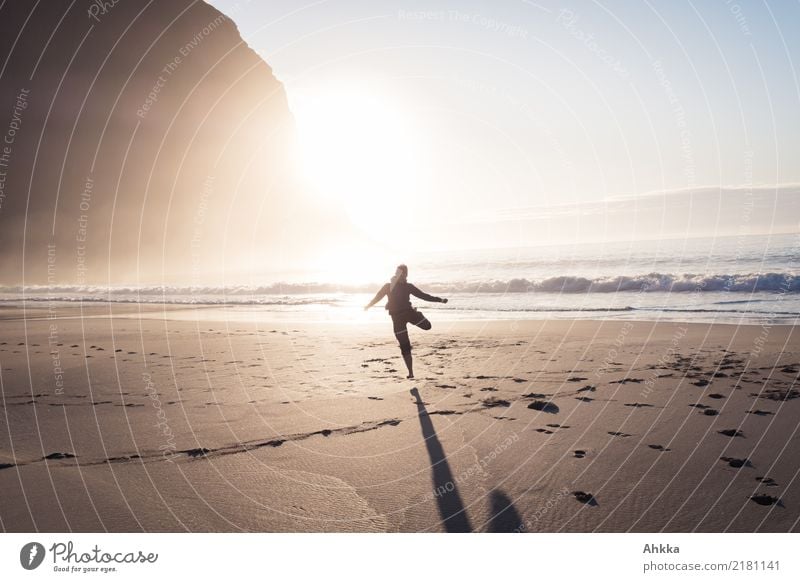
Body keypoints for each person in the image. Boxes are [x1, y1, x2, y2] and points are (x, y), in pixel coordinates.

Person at [364, 264, 448, 379]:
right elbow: (378, 296)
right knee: (405, 346)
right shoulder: (388, 286)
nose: (399, 275)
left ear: (406, 274)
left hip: (410, 314)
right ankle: (410, 372)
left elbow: (423, 296)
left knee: (427, 326)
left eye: (402, 273)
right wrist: (368, 305)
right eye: (398, 273)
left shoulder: (408, 286)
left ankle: (418, 313)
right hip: (397, 319)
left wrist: (440, 300)